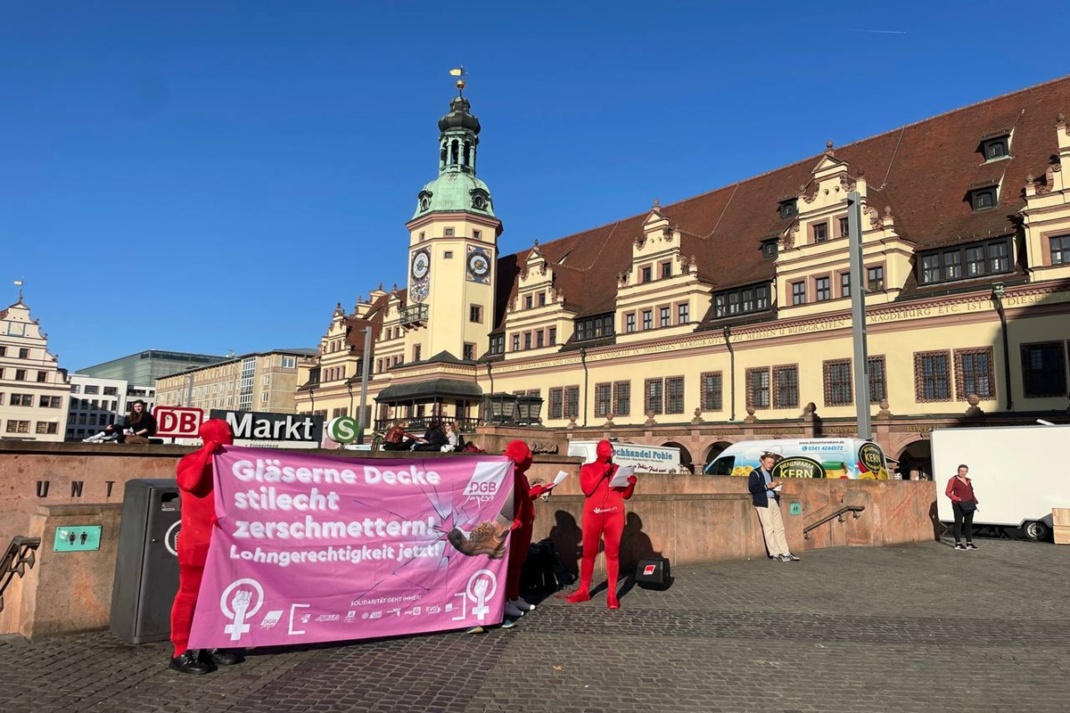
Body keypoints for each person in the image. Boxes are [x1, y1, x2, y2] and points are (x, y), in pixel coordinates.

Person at [169, 419, 243, 674]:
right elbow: (189, 483)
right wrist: (206, 453)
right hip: (197, 542)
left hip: (224, 542)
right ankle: (181, 650)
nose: (231, 435)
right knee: (190, 594)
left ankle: (213, 643)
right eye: (227, 432)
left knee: (222, 593)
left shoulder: (232, 462)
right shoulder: (191, 459)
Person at [566, 439, 637, 610]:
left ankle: (612, 594)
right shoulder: (588, 468)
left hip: (614, 514)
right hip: (593, 514)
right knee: (589, 551)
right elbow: (587, 489)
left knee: (613, 553)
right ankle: (584, 589)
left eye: (612, 449)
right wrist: (602, 473)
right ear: (600, 451)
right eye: (608, 449)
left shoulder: (618, 469)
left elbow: (625, 495)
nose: (611, 452)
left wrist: (631, 485)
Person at [501, 440, 552, 626]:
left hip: (523, 523)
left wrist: (537, 491)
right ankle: (505, 599)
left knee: (518, 562)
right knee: (509, 564)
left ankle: (513, 596)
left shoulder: (519, 474)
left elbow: (523, 496)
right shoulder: (509, 473)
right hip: (513, 525)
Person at [748, 453, 799, 562]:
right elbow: (752, 488)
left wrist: (775, 486)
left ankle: (785, 552)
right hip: (763, 503)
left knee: (779, 528)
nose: (771, 465)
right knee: (769, 528)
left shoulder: (769, 473)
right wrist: (767, 486)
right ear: (762, 461)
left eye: (772, 463)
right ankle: (775, 553)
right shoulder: (755, 473)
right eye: (769, 462)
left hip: (773, 501)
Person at [945, 464, 979, 551]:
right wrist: (957, 498)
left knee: (968, 524)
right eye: (961, 471)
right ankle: (958, 544)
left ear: (967, 472)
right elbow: (948, 492)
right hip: (958, 505)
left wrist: (974, 500)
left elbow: (971, 491)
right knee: (958, 523)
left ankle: (969, 543)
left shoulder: (968, 480)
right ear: (958, 471)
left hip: (969, 504)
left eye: (964, 471)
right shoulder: (953, 480)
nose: (963, 473)